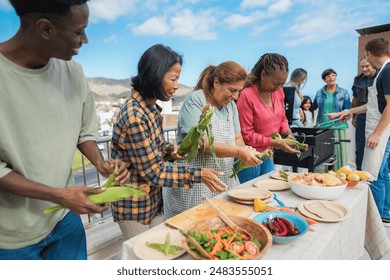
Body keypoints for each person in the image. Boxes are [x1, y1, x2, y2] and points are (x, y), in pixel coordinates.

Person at [0, 0, 130, 260]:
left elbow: (84, 131)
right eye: (78, 31)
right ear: (45, 28)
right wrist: (59, 195)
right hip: (12, 237)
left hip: (65, 221)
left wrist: (100, 162)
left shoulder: (73, 72)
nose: (86, 39)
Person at [110, 44, 228, 239]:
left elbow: (151, 146)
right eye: (173, 79)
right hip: (133, 206)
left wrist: (170, 149)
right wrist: (199, 174)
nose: (176, 86)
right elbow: (154, 172)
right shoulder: (134, 117)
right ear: (154, 75)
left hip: (152, 200)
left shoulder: (150, 109)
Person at [162, 61, 262, 219]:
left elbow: (237, 138)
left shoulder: (231, 107)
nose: (235, 96)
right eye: (232, 90)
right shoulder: (195, 100)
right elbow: (201, 144)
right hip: (194, 183)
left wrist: (246, 151)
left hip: (221, 181)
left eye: (238, 92)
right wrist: (238, 152)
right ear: (216, 83)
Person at [327, 38, 390, 226]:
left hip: (380, 132)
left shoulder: (387, 71)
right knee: (384, 173)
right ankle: (385, 212)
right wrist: (345, 112)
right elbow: (372, 106)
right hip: (380, 130)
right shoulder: (383, 72)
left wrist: (377, 134)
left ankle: (374, 221)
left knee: (372, 176)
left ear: (370, 53)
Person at [235, 53, 299, 184]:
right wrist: (275, 143)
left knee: (268, 190)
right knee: (252, 195)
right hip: (249, 155)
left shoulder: (278, 92)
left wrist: (288, 134)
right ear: (263, 75)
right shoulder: (246, 95)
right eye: (275, 83)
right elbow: (246, 135)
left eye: (282, 84)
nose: (278, 88)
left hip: (268, 153)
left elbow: (282, 118)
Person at [312, 69, 351, 170]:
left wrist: (337, 115)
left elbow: (348, 109)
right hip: (322, 126)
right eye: (328, 76)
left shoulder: (344, 92)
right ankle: (321, 178)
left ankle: (340, 176)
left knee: (339, 154)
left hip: (338, 126)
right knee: (322, 154)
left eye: (333, 75)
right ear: (324, 80)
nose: (331, 78)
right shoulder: (319, 92)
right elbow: (313, 106)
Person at [351, 58, 377, 170]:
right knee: (360, 145)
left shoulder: (380, 77)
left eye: (367, 66)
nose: (364, 69)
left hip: (377, 116)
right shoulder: (358, 79)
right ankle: (359, 170)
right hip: (361, 115)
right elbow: (355, 99)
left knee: (376, 146)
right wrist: (354, 117)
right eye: (362, 67)